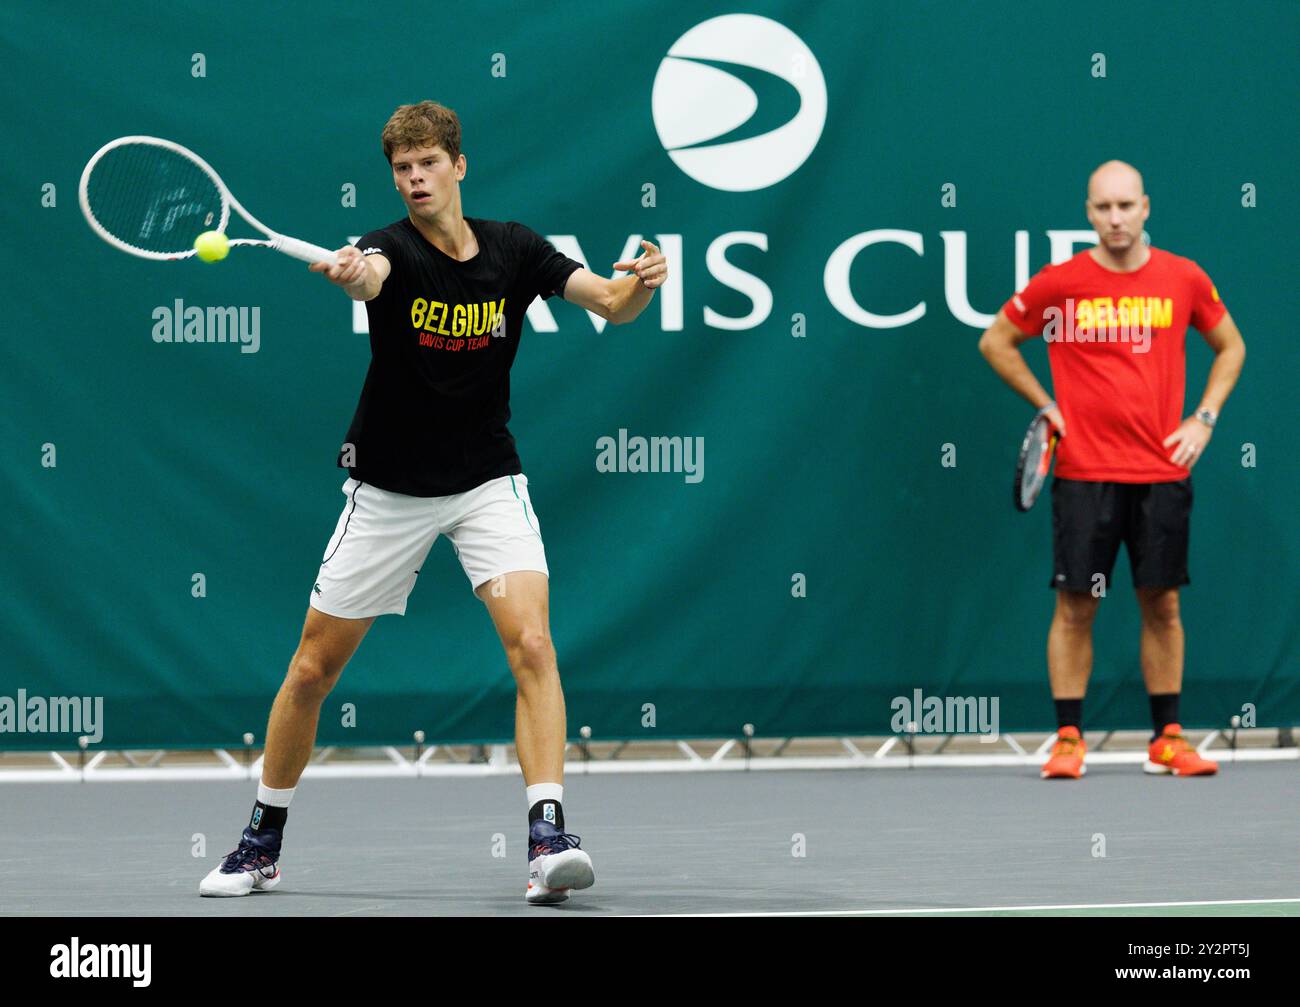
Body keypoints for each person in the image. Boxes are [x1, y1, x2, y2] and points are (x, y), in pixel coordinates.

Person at [200, 100, 667, 902]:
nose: (414, 179)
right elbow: (368, 275)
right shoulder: (388, 250)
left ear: (458, 165)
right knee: (312, 668)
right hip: (389, 489)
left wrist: (644, 284)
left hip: (488, 479)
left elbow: (612, 305)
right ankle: (259, 841)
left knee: (533, 645)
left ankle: (548, 837)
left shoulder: (516, 249)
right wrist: (356, 274)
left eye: (426, 164)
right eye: (401, 170)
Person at [978, 160, 1245, 780]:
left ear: (1146, 207)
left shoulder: (1183, 278)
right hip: (1083, 474)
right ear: (1088, 212)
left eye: (1126, 206)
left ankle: (1168, 738)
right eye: (1103, 208)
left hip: (1161, 472)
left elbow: (1231, 346)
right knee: (1076, 607)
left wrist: (1203, 417)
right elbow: (995, 341)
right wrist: (1046, 407)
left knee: (1164, 606)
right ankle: (1069, 739)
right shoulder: (1059, 283)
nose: (1115, 218)